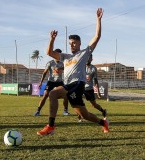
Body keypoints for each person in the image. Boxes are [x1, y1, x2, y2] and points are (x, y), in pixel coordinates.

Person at [37, 8, 109, 136]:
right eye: (70, 43)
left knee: (52, 94)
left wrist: (98, 20)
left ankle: (51, 126)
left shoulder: (84, 53)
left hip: (77, 84)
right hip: (69, 85)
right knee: (85, 115)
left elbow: (96, 37)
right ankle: (103, 123)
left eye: (74, 43)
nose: (72, 45)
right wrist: (52, 39)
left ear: (79, 43)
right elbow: (49, 52)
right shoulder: (65, 57)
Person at [33, 48, 70, 116]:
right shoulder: (50, 63)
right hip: (51, 82)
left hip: (60, 82)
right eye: (56, 54)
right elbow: (44, 73)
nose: (57, 55)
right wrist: (41, 82)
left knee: (66, 95)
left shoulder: (63, 63)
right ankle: (38, 110)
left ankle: (65, 111)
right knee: (45, 95)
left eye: (59, 54)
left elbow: (68, 69)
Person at [78, 54, 107, 122]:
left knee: (94, 105)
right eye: (87, 58)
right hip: (81, 87)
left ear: (91, 59)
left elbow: (95, 80)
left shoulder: (93, 68)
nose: (88, 59)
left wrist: (98, 92)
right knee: (78, 103)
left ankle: (103, 111)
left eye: (89, 58)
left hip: (89, 89)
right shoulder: (81, 67)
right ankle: (80, 117)